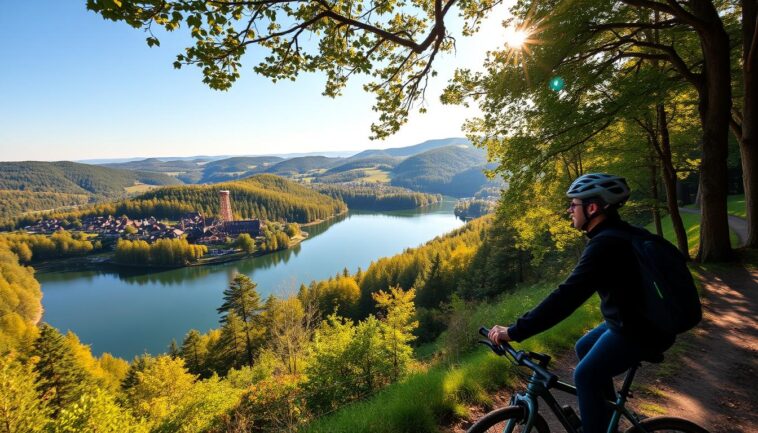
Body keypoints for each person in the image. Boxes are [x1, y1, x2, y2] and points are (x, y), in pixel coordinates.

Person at [488, 173, 674, 433]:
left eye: (573, 205)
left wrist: (514, 331)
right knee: (584, 346)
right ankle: (607, 421)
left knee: (584, 375)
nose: (569, 210)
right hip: (632, 321)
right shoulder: (618, 234)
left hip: (642, 330)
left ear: (593, 208)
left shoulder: (605, 246)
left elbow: (566, 298)